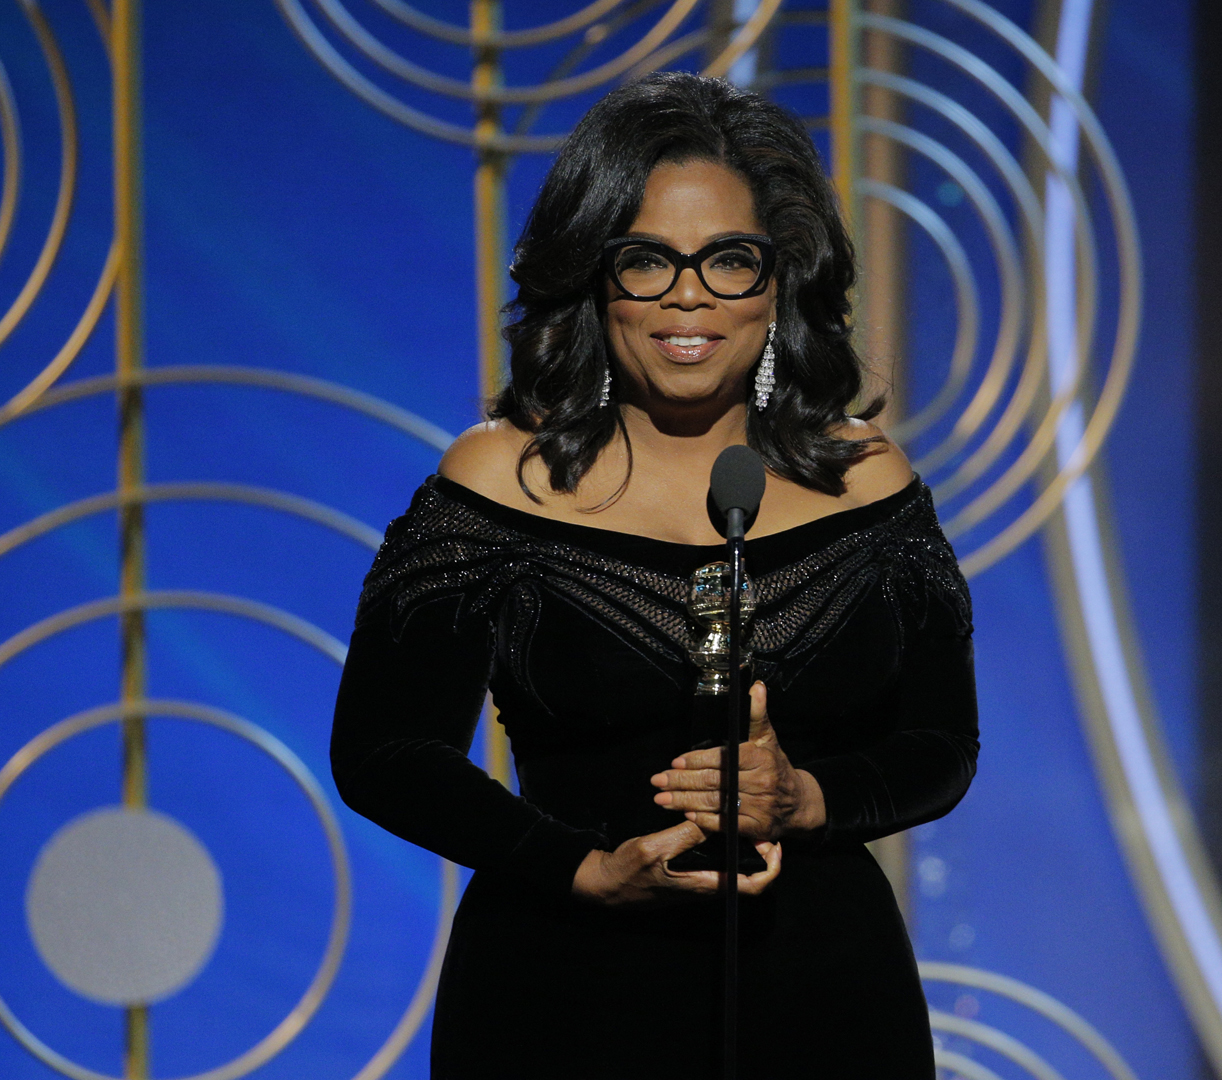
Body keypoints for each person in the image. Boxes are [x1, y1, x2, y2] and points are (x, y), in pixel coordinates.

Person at [329, 71, 979, 1078]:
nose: (689, 296)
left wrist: (805, 797)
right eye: (647, 261)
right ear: (595, 278)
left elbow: (943, 743)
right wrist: (579, 870)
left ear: (780, 281)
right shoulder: (502, 480)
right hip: (559, 990)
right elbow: (383, 750)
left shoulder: (867, 482)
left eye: (729, 260)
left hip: (821, 997)